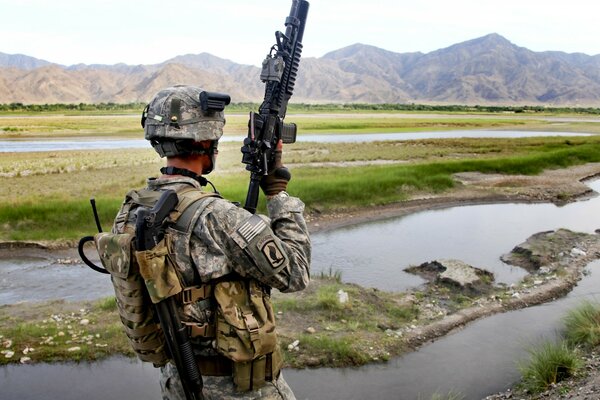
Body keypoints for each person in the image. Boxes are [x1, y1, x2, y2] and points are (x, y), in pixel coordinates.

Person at [113, 85, 311, 399]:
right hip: (239, 388)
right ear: (206, 141)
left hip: (179, 380)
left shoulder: (131, 211)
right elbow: (296, 272)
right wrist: (277, 192)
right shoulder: (217, 217)